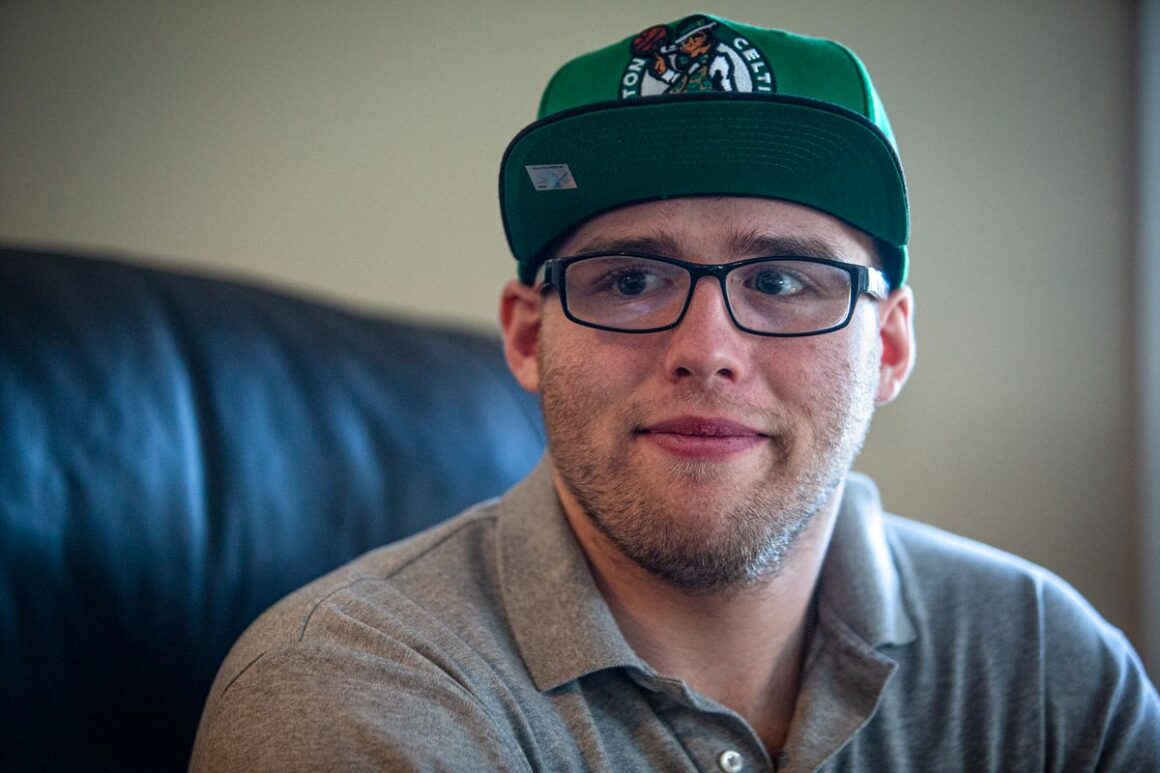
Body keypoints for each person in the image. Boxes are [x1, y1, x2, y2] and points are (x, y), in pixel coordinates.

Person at [190, 14, 1160, 771]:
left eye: (780, 281)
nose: (705, 349)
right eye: (627, 279)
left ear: (890, 342)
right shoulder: (349, 691)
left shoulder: (1045, 668)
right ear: (529, 336)